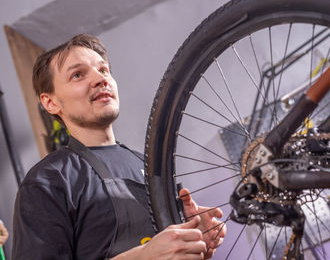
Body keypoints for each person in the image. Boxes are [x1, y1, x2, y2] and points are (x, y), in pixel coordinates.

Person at [12, 34, 226, 260]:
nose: (100, 79)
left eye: (103, 70)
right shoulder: (48, 181)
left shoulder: (148, 164)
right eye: (78, 75)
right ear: (50, 102)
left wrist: (191, 229)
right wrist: (143, 257)